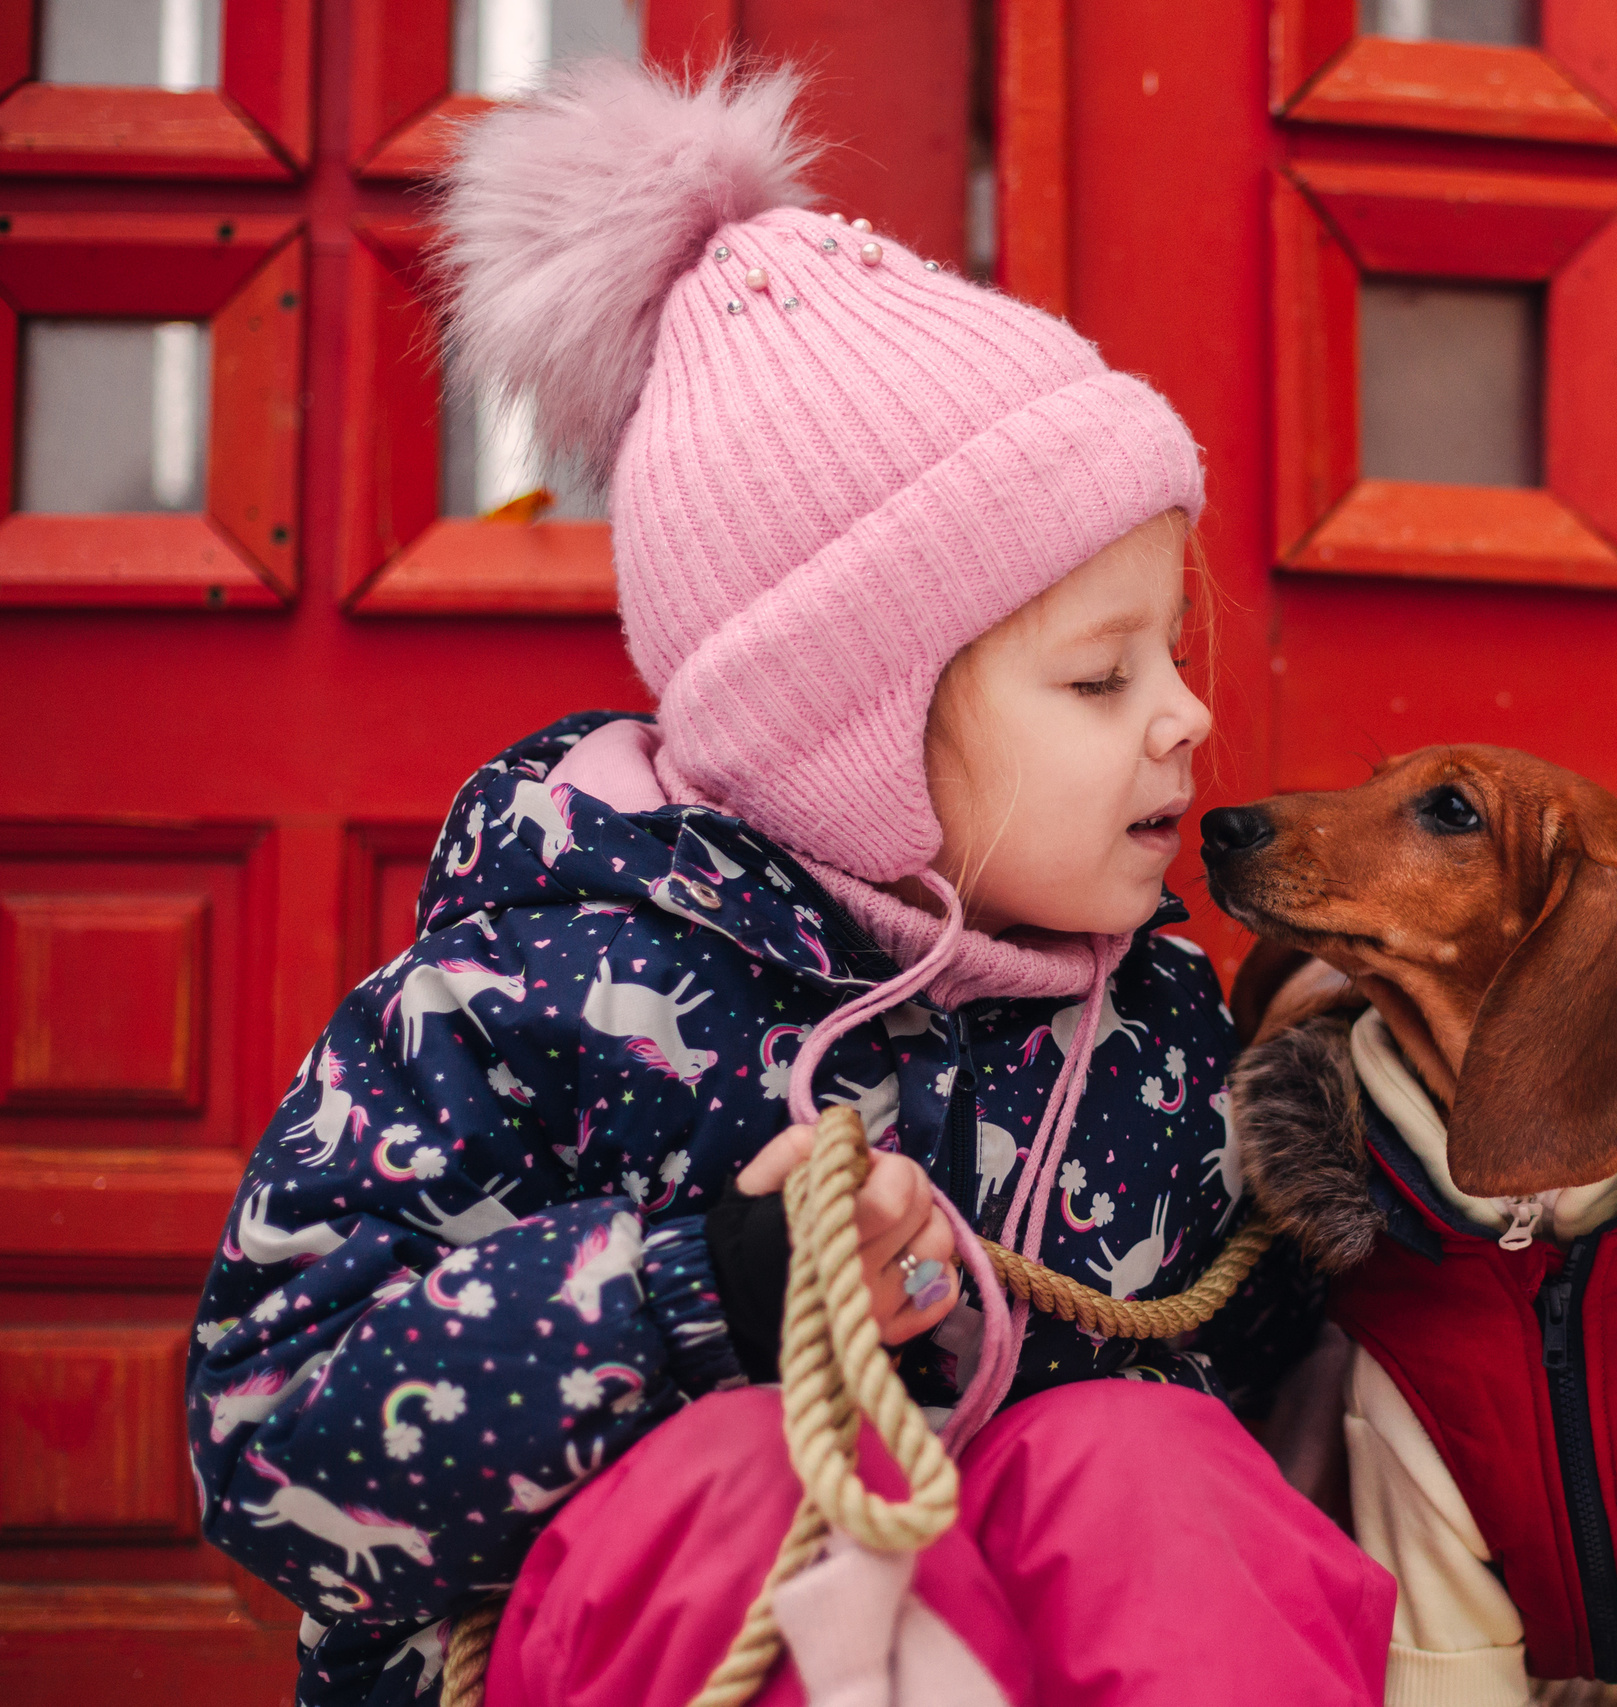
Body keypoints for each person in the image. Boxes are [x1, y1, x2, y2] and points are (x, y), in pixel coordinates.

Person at [184, 58, 1389, 1707]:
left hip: (1039, 1624)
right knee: (751, 1484)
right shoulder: (523, 1000)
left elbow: (1298, 1384)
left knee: (1149, 1464)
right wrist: (703, 1288)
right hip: (644, 1632)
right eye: (1101, 681)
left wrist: (1407, 1124)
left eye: (1167, 655)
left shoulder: (1160, 1029)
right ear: (853, 733)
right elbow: (270, 1452)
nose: (1186, 716)